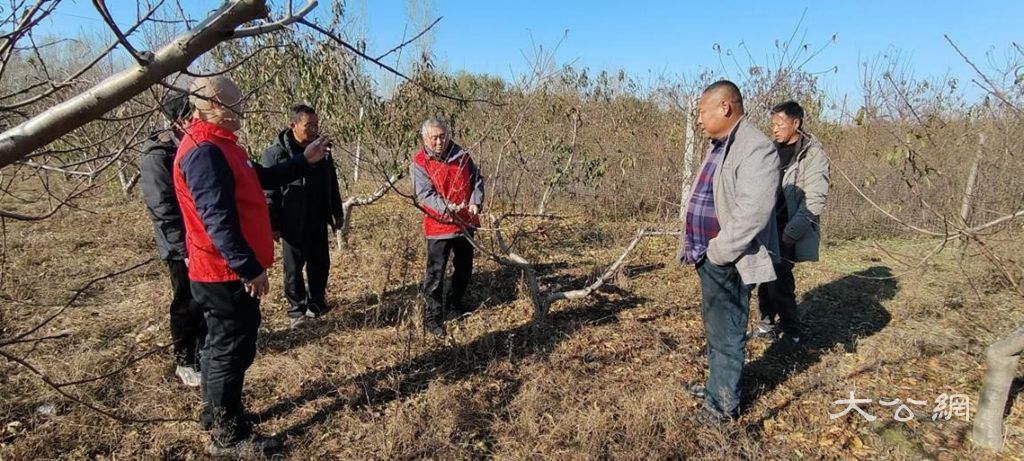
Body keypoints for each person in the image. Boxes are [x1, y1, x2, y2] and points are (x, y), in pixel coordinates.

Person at [173, 75, 329, 456]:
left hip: (222, 270)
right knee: (232, 349)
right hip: (224, 273)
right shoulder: (205, 152)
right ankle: (228, 436)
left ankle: (215, 413)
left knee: (220, 346)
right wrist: (248, 268)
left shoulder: (222, 145)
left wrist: (303, 161)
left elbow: (261, 177)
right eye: (236, 103)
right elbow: (218, 222)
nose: (243, 109)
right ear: (214, 106)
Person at [679, 80, 780, 422]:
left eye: (702, 111)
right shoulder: (720, 145)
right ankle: (717, 388)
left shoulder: (756, 148)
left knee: (727, 335)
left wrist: (718, 252)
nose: (698, 119)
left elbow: (753, 212)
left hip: (731, 261)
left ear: (725, 107)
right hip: (708, 256)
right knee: (716, 330)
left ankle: (722, 410)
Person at [753, 100, 831, 351]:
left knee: (780, 282)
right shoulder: (770, 150)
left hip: (788, 228)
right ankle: (766, 322)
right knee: (762, 275)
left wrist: (792, 233)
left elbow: (814, 200)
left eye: (780, 124)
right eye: (772, 124)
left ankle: (792, 333)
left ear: (796, 123)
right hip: (766, 225)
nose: (774, 129)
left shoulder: (813, 155)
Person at [140, 90, 206, 387]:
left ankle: (202, 352)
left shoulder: (190, 146)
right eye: (192, 117)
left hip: (199, 239)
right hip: (180, 245)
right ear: (179, 121)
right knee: (186, 301)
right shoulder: (158, 155)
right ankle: (185, 360)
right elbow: (162, 208)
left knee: (203, 298)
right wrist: (183, 249)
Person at [261, 104, 343, 329]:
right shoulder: (275, 154)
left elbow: (331, 181)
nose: (314, 129)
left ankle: (316, 304)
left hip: (318, 217)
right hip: (291, 221)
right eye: (309, 125)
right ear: (293, 125)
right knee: (293, 268)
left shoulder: (322, 150)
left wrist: (336, 211)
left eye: (316, 125)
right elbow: (269, 193)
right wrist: (273, 224)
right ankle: (296, 310)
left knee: (320, 264)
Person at [410, 117, 484, 337]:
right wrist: (446, 208)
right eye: (434, 138)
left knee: (464, 268)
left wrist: (475, 201)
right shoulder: (419, 162)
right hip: (438, 227)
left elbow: (477, 179)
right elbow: (424, 194)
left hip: (465, 223)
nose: (439, 141)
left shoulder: (462, 156)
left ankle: (455, 303)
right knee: (435, 274)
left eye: (442, 136)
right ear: (425, 138)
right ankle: (432, 318)